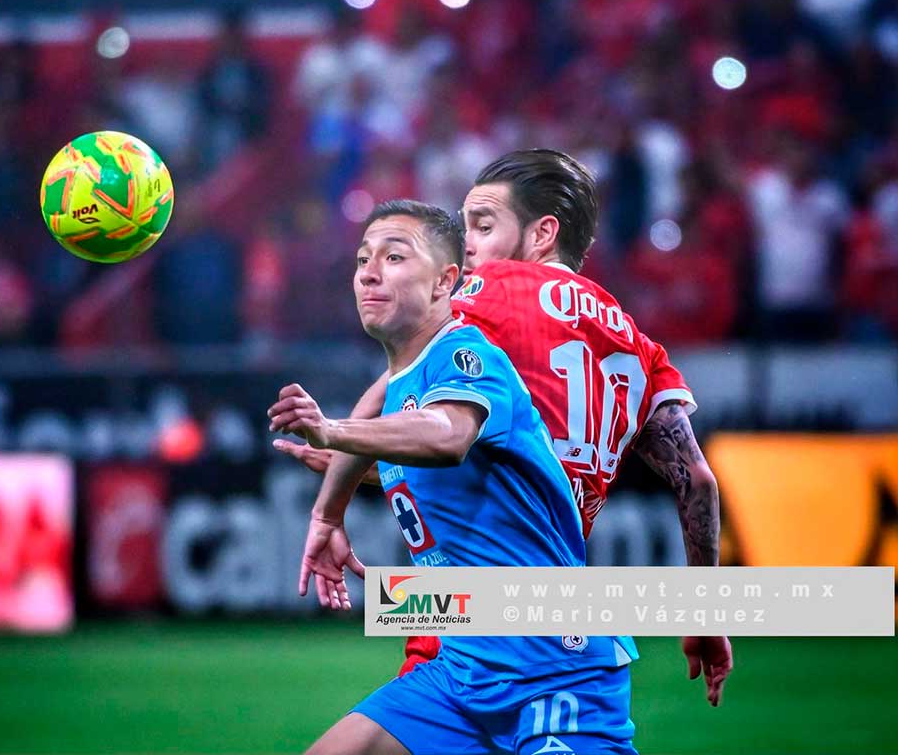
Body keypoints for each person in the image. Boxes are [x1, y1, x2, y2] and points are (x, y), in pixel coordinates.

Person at [277, 150, 731, 707]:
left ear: (543, 234)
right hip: (553, 593)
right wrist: (706, 612)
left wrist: (332, 495)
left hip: (476, 603)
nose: (467, 243)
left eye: (483, 225)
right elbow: (698, 483)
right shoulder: (640, 346)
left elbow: (398, 385)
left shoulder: (492, 290)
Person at [269, 199, 637, 755]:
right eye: (363, 258)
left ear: (447, 281)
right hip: (460, 671)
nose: (369, 272)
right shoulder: (401, 387)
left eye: (394, 257)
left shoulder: (466, 353)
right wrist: (332, 505)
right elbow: (411, 446)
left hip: (552, 663)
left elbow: (447, 436)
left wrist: (333, 431)